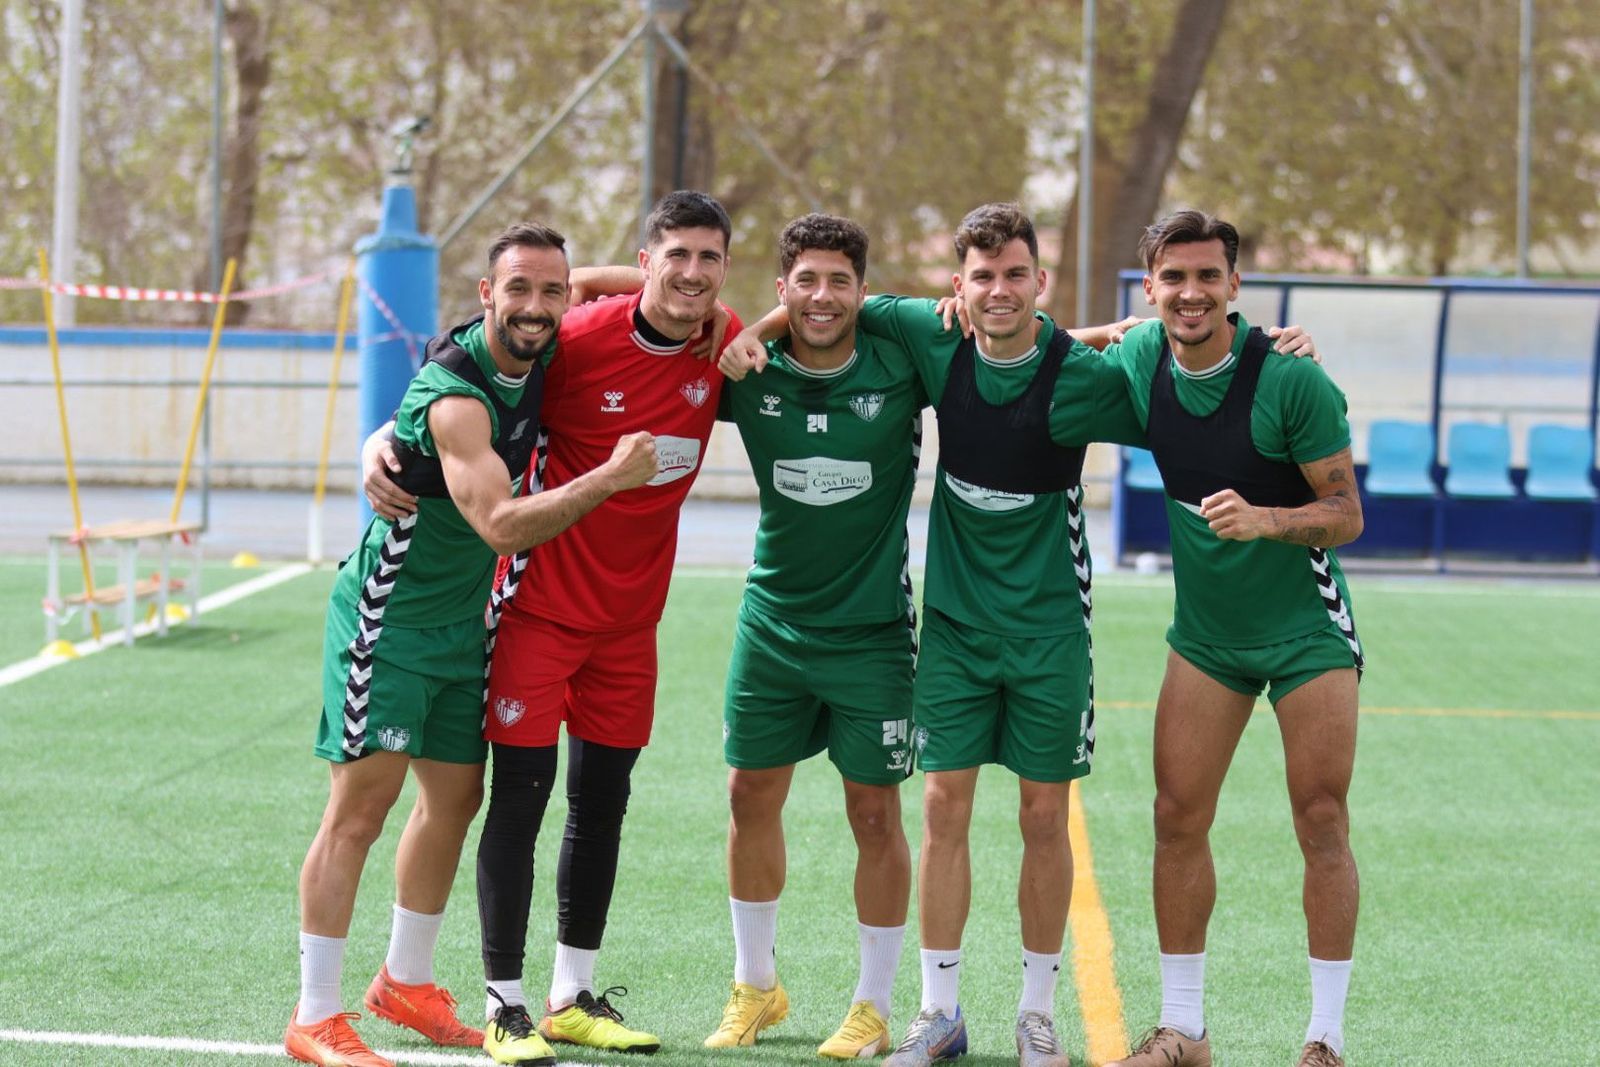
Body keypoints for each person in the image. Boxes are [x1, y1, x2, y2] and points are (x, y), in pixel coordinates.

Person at [364, 191, 742, 1065]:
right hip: (536, 610)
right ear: (645, 262)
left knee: (602, 804)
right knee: (520, 801)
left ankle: (573, 996)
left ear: (726, 270)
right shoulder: (573, 338)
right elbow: (471, 365)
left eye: (709, 260)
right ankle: (505, 1003)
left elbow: (803, 319)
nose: (691, 274)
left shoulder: (721, 350)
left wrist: (736, 323)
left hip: (631, 626)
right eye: (675, 256)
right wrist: (380, 439)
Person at [287, 222, 661, 1067]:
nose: (535, 306)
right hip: (390, 621)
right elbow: (499, 525)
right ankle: (314, 1013)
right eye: (516, 288)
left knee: (456, 799)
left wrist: (662, 291)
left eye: (552, 291)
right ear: (485, 294)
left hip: (464, 624)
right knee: (360, 810)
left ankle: (405, 981)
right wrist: (609, 476)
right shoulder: (457, 395)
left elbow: (624, 289)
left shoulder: (542, 343)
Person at [1102, 210, 1363, 1067]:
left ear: (1235, 285)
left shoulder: (1292, 380)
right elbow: (1048, 347)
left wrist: (1267, 519)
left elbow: (1347, 513)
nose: (1192, 293)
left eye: (1207, 276)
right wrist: (969, 309)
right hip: (1207, 639)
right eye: (1174, 278)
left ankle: (1324, 1038)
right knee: (1176, 815)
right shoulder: (1142, 355)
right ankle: (1184, 1029)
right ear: (1151, 288)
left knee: (1320, 817)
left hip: (1304, 632)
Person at [696, 214, 924, 1058]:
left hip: (873, 632)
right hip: (773, 625)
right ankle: (756, 985)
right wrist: (752, 332)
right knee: (747, 795)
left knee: (874, 813)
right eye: (806, 281)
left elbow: (1004, 332)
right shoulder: (745, 369)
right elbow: (626, 303)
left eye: (839, 281)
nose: (822, 297)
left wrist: (1108, 333)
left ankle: (872, 1004)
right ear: (782, 287)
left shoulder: (902, 360)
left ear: (863, 290)